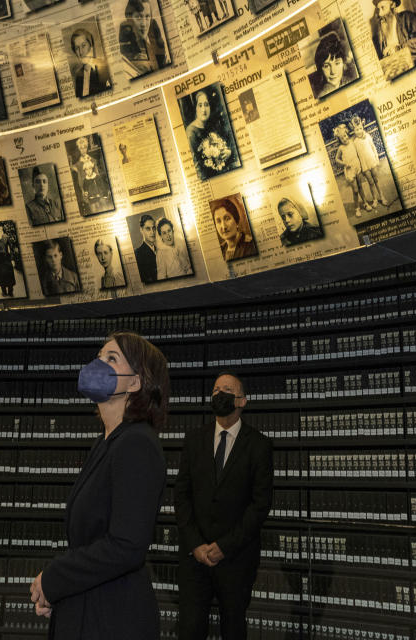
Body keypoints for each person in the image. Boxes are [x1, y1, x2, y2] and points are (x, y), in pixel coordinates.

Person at [30, 331, 168, 639]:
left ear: (136, 382)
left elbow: (126, 546)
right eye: (99, 356)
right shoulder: (107, 442)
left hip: (113, 617)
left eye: (111, 359)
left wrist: (54, 579)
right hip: (89, 605)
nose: (97, 363)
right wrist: (63, 593)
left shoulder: (136, 444)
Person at [175, 372, 273, 640]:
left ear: (242, 401)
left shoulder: (260, 445)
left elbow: (260, 505)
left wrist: (224, 547)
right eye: (216, 389)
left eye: (227, 389)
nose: (220, 394)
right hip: (194, 559)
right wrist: (196, 544)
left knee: (233, 628)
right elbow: (181, 496)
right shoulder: (194, 440)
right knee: (190, 629)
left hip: (236, 560)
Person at [368, 0, 416, 74]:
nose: (380, 14)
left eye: (383, 8)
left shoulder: (408, 17)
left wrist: (398, 48)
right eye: (378, 9)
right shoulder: (380, 33)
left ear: (393, 5)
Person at [185, 90, 235, 178]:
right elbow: (197, 165)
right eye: (200, 105)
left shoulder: (211, 126)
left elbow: (225, 144)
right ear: (196, 108)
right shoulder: (191, 132)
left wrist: (228, 152)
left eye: (206, 105)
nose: (203, 110)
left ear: (210, 107)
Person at [118, 0, 169, 78]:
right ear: (129, 19)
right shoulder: (125, 55)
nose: (144, 24)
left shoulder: (154, 46)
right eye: (138, 17)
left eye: (147, 16)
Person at [350, 116, 388, 210]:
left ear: (363, 127)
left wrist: (376, 158)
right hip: (364, 165)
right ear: (354, 131)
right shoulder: (355, 142)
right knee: (370, 182)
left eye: (360, 128)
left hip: (372, 161)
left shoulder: (367, 136)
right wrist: (360, 167)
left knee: (376, 179)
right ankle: (375, 199)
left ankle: (382, 196)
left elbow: (373, 147)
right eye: (356, 129)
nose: (359, 131)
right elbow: (356, 156)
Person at [309, 31, 357, 98]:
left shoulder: (352, 81)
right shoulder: (319, 95)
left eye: (337, 63)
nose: (333, 71)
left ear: (343, 63)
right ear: (320, 69)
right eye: (326, 66)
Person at [333, 124, 367, 217]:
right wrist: (344, 163)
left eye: (345, 136)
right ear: (339, 140)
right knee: (355, 190)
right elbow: (336, 159)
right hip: (349, 170)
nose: (344, 138)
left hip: (357, 167)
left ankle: (365, 203)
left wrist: (356, 124)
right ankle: (357, 208)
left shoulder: (352, 141)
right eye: (341, 138)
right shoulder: (341, 148)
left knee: (360, 186)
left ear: (347, 134)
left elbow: (358, 133)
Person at [70, 28, 111, 98]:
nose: (81, 52)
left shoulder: (105, 66)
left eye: (83, 45)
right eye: (77, 48)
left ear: (91, 46)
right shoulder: (79, 76)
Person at [0, 225, 16, 297]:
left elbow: (11, 248)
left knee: (9, 275)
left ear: (1, 230)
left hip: (6, 259)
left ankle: (10, 291)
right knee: (1, 276)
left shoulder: (6, 237)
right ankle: (4, 291)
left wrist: (12, 259)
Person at [134, 213, 157, 284]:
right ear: (141, 230)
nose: (152, 232)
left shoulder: (160, 249)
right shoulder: (138, 253)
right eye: (148, 229)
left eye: (153, 228)